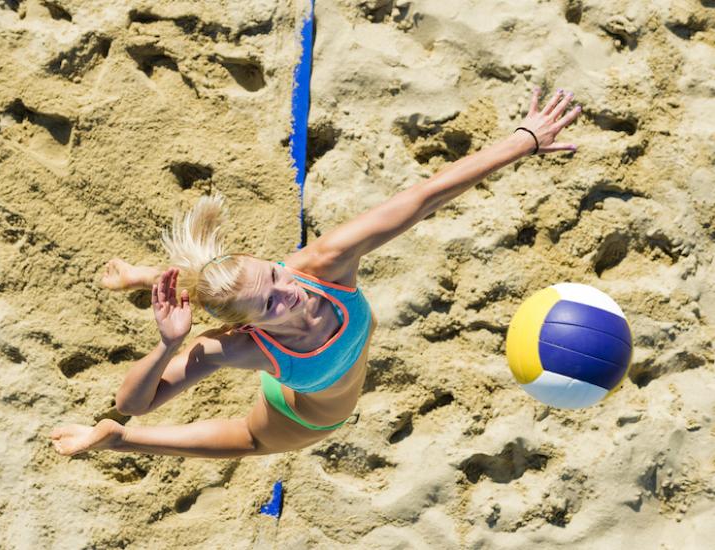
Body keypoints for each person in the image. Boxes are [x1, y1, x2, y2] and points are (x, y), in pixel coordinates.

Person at [51, 88, 581, 458]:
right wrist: (168, 345)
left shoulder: (320, 265)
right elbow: (131, 404)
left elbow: (421, 198)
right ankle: (121, 444)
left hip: (317, 363)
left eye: (276, 275)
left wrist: (523, 141)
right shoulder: (238, 348)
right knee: (252, 441)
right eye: (273, 302)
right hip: (304, 411)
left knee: (233, 289)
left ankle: (148, 276)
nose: (292, 291)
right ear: (248, 325)